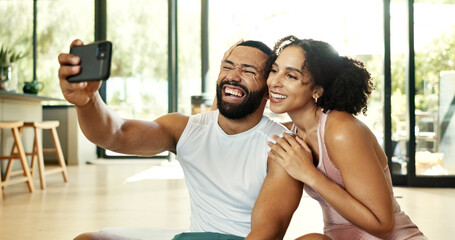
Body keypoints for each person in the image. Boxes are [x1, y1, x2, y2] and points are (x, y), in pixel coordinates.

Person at [58, 39, 329, 240]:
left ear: (269, 89)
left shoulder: (281, 147)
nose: (233, 76)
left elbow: (267, 230)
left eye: (248, 71)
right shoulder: (185, 128)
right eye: (228, 66)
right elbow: (116, 134)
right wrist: (87, 102)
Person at [266, 35, 427, 239]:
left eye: (291, 76)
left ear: (317, 89)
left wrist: (309, 174)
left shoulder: (341, 130)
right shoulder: (295, 131)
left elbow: (383, 225)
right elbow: (238, 124)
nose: (274, 82)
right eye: (274, 70)